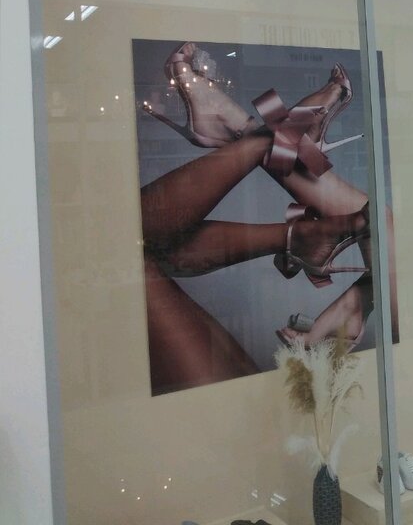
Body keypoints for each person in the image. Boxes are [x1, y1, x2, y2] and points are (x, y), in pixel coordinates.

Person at [139, 42, 398, 392]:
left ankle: (257, 135)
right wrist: (360, 300)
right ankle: (265, 150)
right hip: (230, 388)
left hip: (224, 414)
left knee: (128, 253)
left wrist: (358, 301)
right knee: (381, 223)